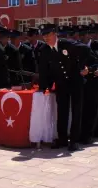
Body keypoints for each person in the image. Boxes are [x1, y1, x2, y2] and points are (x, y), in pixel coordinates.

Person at [37, 23, 93, 152]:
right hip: (61, 84)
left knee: (76, 112)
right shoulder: (44, 50)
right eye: (44, 35)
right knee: (62, 112)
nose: (46, 38)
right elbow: (44, 70)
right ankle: (62, 139)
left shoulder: (66, 44)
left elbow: (86, 49)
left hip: (75, 83)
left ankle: (74, 141)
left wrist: (82, 67)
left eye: (48, 35)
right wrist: (44, 87)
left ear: (55, 33)